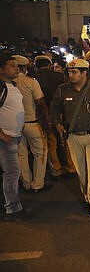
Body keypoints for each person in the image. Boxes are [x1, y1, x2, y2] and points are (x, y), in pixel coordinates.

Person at [49, 59, 90, 223]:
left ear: (85, 73)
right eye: (69, 72)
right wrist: (57, 125)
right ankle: (87, 197)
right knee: (81, 172)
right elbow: (54, 109)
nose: (71, 75)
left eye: (75, 72)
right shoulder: (63, 90)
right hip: (73, 137)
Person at [13, 55, 51, 193]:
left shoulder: (8, 83)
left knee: (21, 155)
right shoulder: (30, 82)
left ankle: (26, 183)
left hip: (15, 126)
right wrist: (47, 122)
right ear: (24, 67)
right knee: (40, 153)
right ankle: (38, 184)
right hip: (32, 123)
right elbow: (41, 103)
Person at [34, 55, 75, 179]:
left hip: (44, 113)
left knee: (51, 141)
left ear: (36, 66)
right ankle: (71, 167)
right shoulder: (59, 76)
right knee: (66, 139)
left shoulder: (34, 79)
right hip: (62, 111)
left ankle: (56, 169)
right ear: (49, 65)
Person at [0, 55, 29, 221]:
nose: (16, 68)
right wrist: (2, 134)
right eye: (12, 66)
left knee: (11, 172)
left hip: (15, 136)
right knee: (12, 172)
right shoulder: (1, 87)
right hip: (6, 138)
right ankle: (13, 209)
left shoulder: (13, 86)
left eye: (17, 66)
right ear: (2, 69)